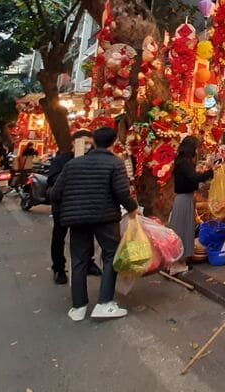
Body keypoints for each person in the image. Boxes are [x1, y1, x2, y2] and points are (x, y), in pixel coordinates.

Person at [50, 127, 138, 321]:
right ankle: (105, 303)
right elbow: (122, 193)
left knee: (79, 259)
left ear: (93, 142)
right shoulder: (114, 163)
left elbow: (55, 193)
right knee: (110, 257)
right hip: (104, 217)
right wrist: (133, 209)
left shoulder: (74, 164)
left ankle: (78, 306)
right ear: (113, 143)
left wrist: (70, 207)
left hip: (77, 219)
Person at [48, 130, 101, 285]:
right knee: (59, 237)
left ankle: (88, 262)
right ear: (74, 142)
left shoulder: (92, 160)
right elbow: (53, 180)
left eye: (89, 143)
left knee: (87, 234)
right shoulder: (61, 160)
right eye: (84, 143)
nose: (87, 146)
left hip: (85, 205)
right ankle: (58, 267)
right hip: (63, 207)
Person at [169, 136, 214, 275]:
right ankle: (177, 263)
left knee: (184, 229)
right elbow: (193, 178)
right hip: (184, 199)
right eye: (196, 147)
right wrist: (210, 172)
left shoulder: (182, 161)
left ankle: (180, 261)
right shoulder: (184, 162)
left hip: (185, 199)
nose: (197, 150)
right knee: (182, 231)